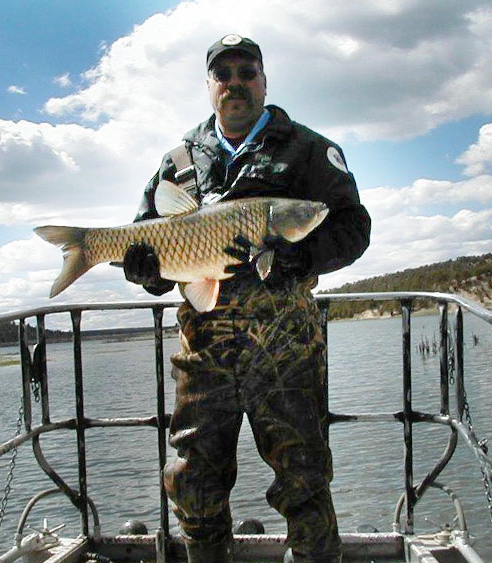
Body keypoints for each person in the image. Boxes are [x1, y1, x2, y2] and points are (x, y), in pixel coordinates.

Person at [123, 34, 371, 563]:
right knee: (194, 481)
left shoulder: (307, 149)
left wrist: (300, 258)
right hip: (204, 353)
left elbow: (353, 229)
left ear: (263, 80)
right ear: (210, 85)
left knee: (303, 479)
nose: (235, 83)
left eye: (246, 72)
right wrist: (149, 274)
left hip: (287, 351)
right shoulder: (177, 160)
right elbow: (153, 244)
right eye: (223, 74)